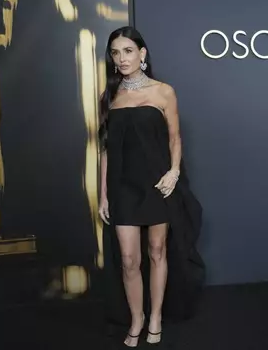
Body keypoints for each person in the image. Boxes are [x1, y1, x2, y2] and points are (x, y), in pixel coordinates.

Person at [97, 26, 205, 347]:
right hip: (122, 187)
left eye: (128, 50)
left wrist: (173, 171)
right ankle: (137, 318)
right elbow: (106, 150)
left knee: (157, 252)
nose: (122, 57)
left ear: (142, 54)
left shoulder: (163, 92)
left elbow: (175, 137)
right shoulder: (109, 96)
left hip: (157, 184)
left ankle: (155, 316)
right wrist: (103, 194)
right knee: (129, 260)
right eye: (116, 52)